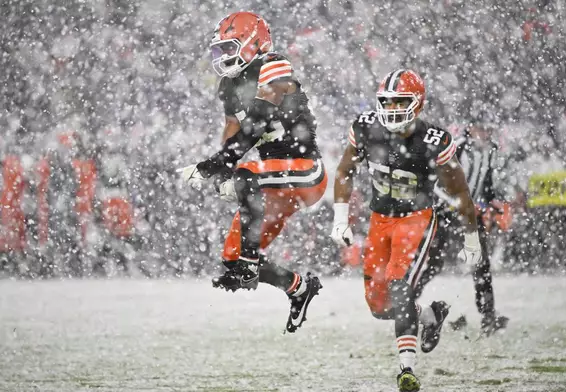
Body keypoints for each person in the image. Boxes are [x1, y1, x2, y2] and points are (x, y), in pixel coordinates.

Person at [331, 69, 484, 392]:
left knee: (400, 286)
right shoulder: (366, 128)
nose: (393, 108)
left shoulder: (432, 141)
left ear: (417, 103)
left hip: (416, 219)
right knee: (378, 305)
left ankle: (406, 369)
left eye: (401, 101)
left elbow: (460, 194)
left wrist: (471, 237)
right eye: (387, 102)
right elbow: (345, 171)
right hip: (379, 219)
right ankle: (429, 315)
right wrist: (340, 217)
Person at [180, 12, 326, 333]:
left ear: (253, 43)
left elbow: (256, 123)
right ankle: (299, 288)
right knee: (232, 259)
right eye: (219, 50)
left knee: (246, 172)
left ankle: (249, 260)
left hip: (302, 168)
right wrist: (222, 172)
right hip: (269, 180)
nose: (223, 57)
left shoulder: (273, 64)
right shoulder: (230, 85)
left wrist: (217, 166)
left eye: (229, 47)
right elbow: (233, 129)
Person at [431, 124, 510, 336]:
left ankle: (488, 316)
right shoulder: (458, 148)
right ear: (471, 129)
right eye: (481, 129)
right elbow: (437, 185)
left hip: (469, 216)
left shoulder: (490, 151)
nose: (485, 134)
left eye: (488, 130)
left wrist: (493, 203)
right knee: (431, 264)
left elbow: (487, 185)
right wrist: (459, 204)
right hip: (444, 213)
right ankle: (410, 308)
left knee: (481, 264)